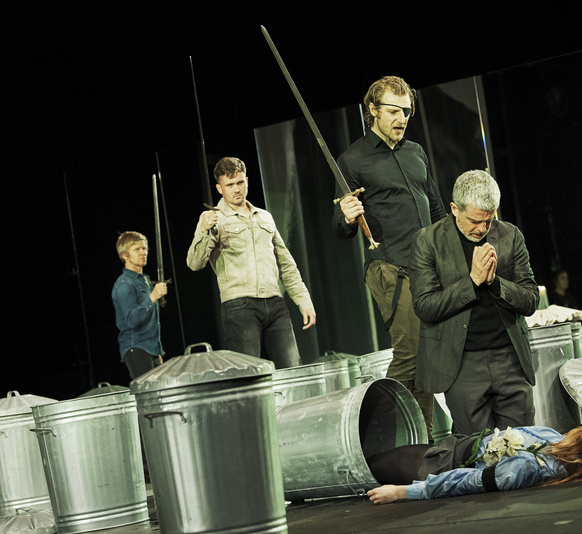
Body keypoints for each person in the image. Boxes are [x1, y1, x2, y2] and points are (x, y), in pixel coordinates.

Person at [332, 76, 446, 438]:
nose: (402, 119)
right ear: (373, 111)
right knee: (410, 351)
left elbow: (436, 207)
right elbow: (340, 228)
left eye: (407, 112)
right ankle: (375, 437)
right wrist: (347, 215)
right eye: (394, 111)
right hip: (390, 266)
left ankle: (421, 441)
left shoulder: (415, 152)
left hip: (427, 265)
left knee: (426, 355)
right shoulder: (352, 160)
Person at [408, 170, 538, 436]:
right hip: (462, 364)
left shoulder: (510, 235)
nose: (482, 229)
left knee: (524, 446)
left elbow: (530, 299)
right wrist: (472, 282)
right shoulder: (428, 241)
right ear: (454, 208)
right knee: (475, 451)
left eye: (489, 221)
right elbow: (425, 306)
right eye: (475, 221)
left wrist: (495, 283)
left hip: (510, 359)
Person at [187, 156, 315, 368]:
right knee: (250, 373)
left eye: (240, 182)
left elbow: (285, 264)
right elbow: (194, 263)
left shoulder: (264, 217)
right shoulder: (214, 219)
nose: (236, 189)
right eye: (230, 185)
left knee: (292, 368)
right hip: (239, 306)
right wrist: (203, 230)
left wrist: (304, 301)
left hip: (274, 302)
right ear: (219, 188)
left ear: (247, 181)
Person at [366, 421, 582, 503]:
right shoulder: (552, 438)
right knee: (370, 462)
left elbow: (467, 482)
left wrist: (403, 492)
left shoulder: (526, 467)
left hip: (439, 464)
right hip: (451, 447)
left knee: (366, 466)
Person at [112, 231, 168, 379]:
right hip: (136, 347)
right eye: (137, 249)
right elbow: (132, 320)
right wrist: (152, 297)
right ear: (125, 256)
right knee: (148, 391)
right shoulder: (124, 284)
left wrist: (157, 351)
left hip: (151, 348)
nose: (143, 253)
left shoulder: (145, 279)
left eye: (144, 248)